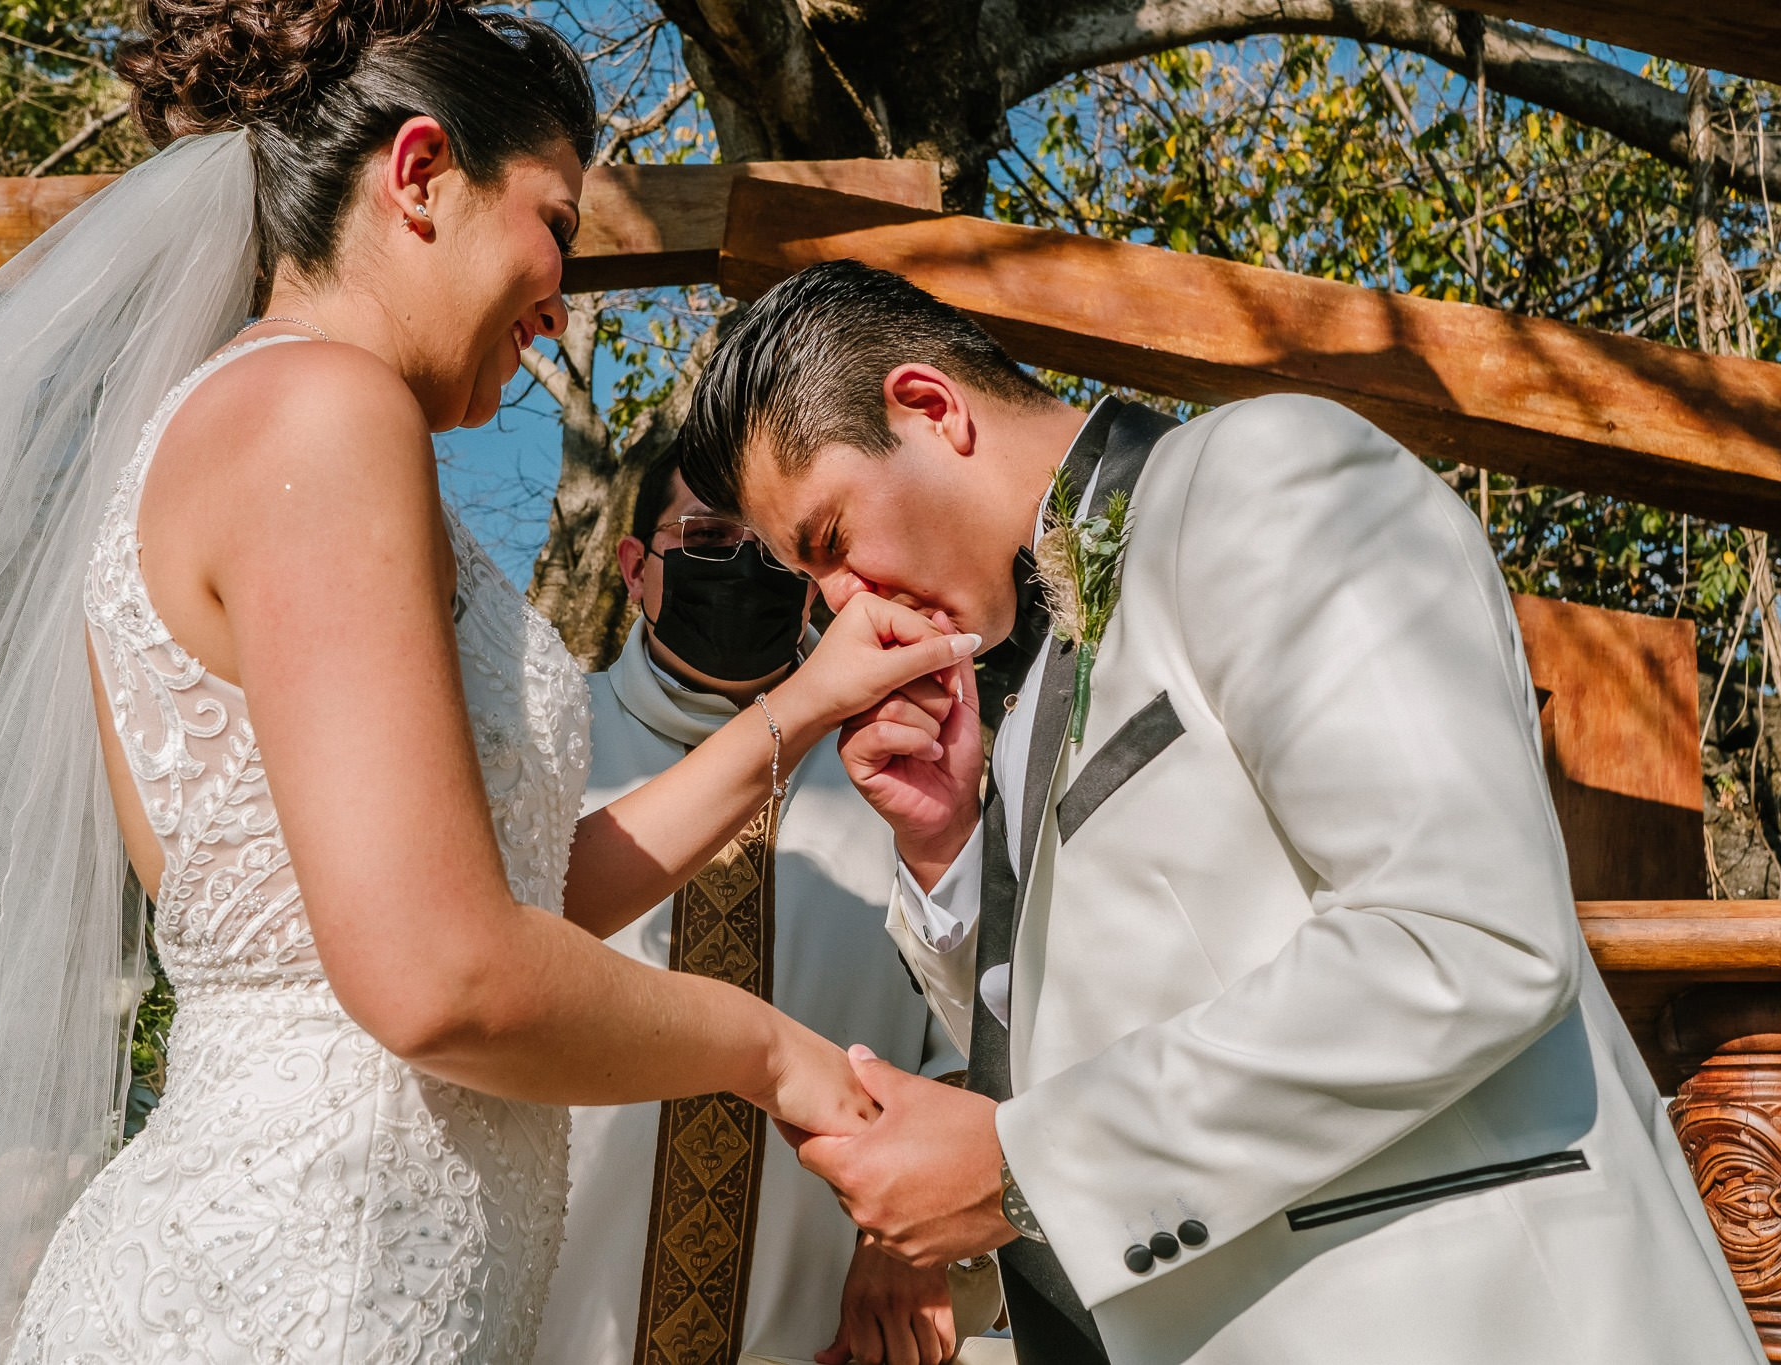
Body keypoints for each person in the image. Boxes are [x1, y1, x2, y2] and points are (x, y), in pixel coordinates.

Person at [0, 14, 976, 1365]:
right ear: (422, 173)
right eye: (555, 220)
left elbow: (515, 899)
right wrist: (773, 1050)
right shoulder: (322, 411)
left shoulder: (262, 419)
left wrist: (796, 707)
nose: (562, 295)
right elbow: (442, 973)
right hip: (305, 1287)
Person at [676, 258, 1764, 1365]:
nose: (839, 607)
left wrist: (1025, 1168)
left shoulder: (1269, 470)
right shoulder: (1035, 680)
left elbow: (1463, 935)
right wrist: (947, 839)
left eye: (827, 543)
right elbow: (1094, 1031)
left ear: (928, 407)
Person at [536, 461, 990, 1365]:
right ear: (634, 567)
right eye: (706, 541)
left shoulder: (903, 766)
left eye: (771, 549)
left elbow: (983, 1013)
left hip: (819, 1322)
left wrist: (922, 1236)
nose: (742, 569)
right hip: (554, 1313)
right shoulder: (551, 749)